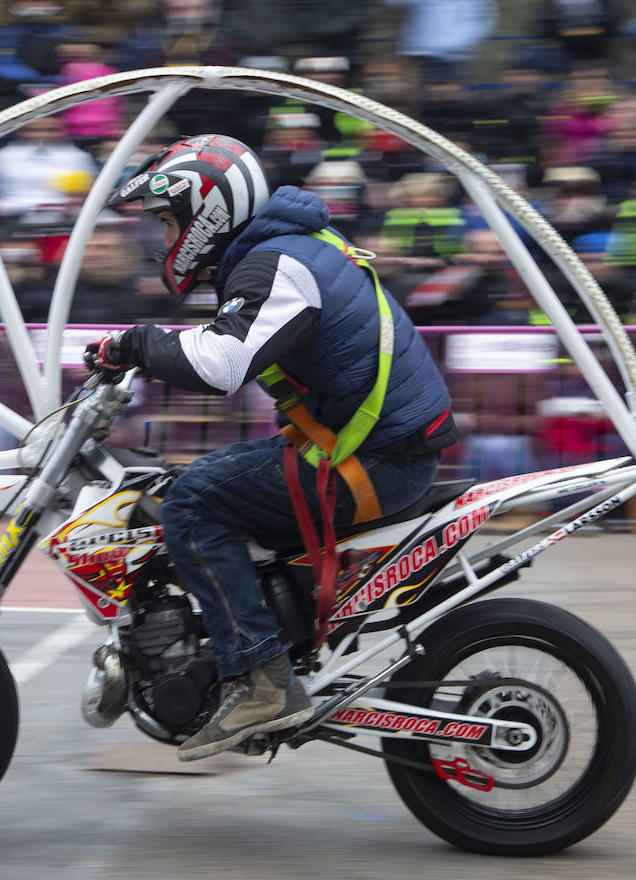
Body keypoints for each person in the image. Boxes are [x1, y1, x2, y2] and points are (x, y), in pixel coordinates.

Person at [83, 135, 459, 760]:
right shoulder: (280, 253)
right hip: (375, 451)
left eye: (170, 220)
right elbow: (227, 340)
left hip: (381, 464)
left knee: (195, 502)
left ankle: (261, 680)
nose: (165, 238)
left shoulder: (276, 262)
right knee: (198, 481)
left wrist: (136, 344)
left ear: (208, 213)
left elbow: (223, 361)